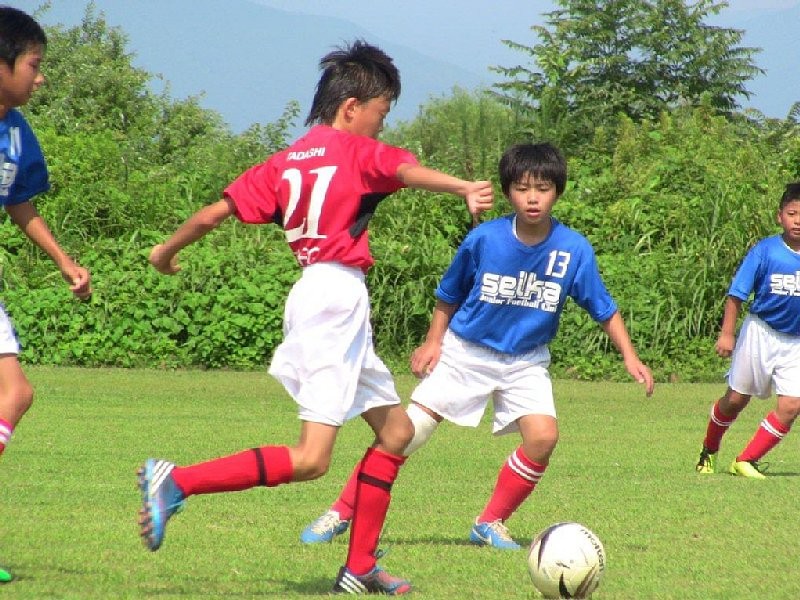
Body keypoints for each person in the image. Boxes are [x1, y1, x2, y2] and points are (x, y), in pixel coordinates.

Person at [138, 39, 493, 595]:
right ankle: (177, 480)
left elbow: (212, 214)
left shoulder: (286, 160)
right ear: (351, 107)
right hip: (333, 302)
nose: (382, 125)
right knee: (311, 459)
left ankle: (360, 566)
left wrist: (165, 251)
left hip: (322, 293)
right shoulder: (355, 150)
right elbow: (405, 170)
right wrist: (463, 186)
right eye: (381, 112)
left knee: (396, 432)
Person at [300, 142, 654, 550]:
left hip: (525, 361)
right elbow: (449, 294)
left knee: (543, 438)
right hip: (466, 352)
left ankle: (490, 522)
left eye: (542, 188)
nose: (533, 198)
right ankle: (342, 510)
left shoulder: (573, 248)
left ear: (557, 191)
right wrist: (433, 342)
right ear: (507, 192)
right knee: (406, 432)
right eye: (522, 188)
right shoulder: (485, 239)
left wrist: (630, 356)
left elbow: (603, 307)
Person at [0, 6, 92, 583]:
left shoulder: (15, 131)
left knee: (15, 392)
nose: (41, 76)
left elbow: (18, 201)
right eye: (34, 65)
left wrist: (64, 261)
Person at [695, 183, 800, 479]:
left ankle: (745, 460)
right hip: (760, 333)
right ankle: (709, 450)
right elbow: (736, 294)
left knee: (792, 405)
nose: (798, 221)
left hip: (796, 343)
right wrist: (727, 334)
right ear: (779, 216)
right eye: (792, 213)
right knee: (736, 400)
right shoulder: (765, 251)